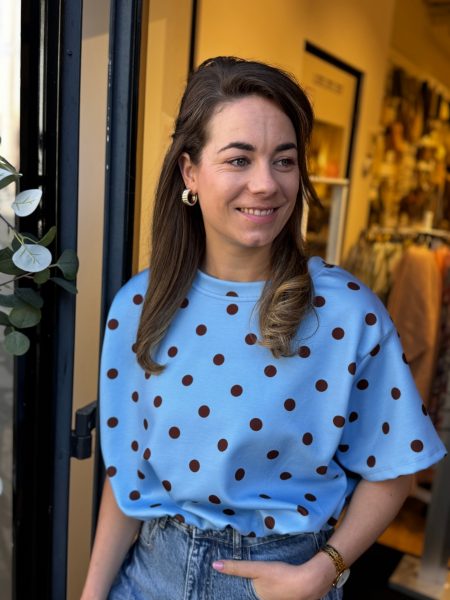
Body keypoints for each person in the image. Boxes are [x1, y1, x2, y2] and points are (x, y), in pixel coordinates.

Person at [81, 56, 446, 600]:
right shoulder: (140, 304)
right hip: (150, 574)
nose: (266, 184)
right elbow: (129, 477)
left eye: (284, 160)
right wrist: (92, 593)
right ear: (190, 172)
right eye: (239, 159)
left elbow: (394, 465)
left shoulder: (345, 312)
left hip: (281, 579)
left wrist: (323, 571)